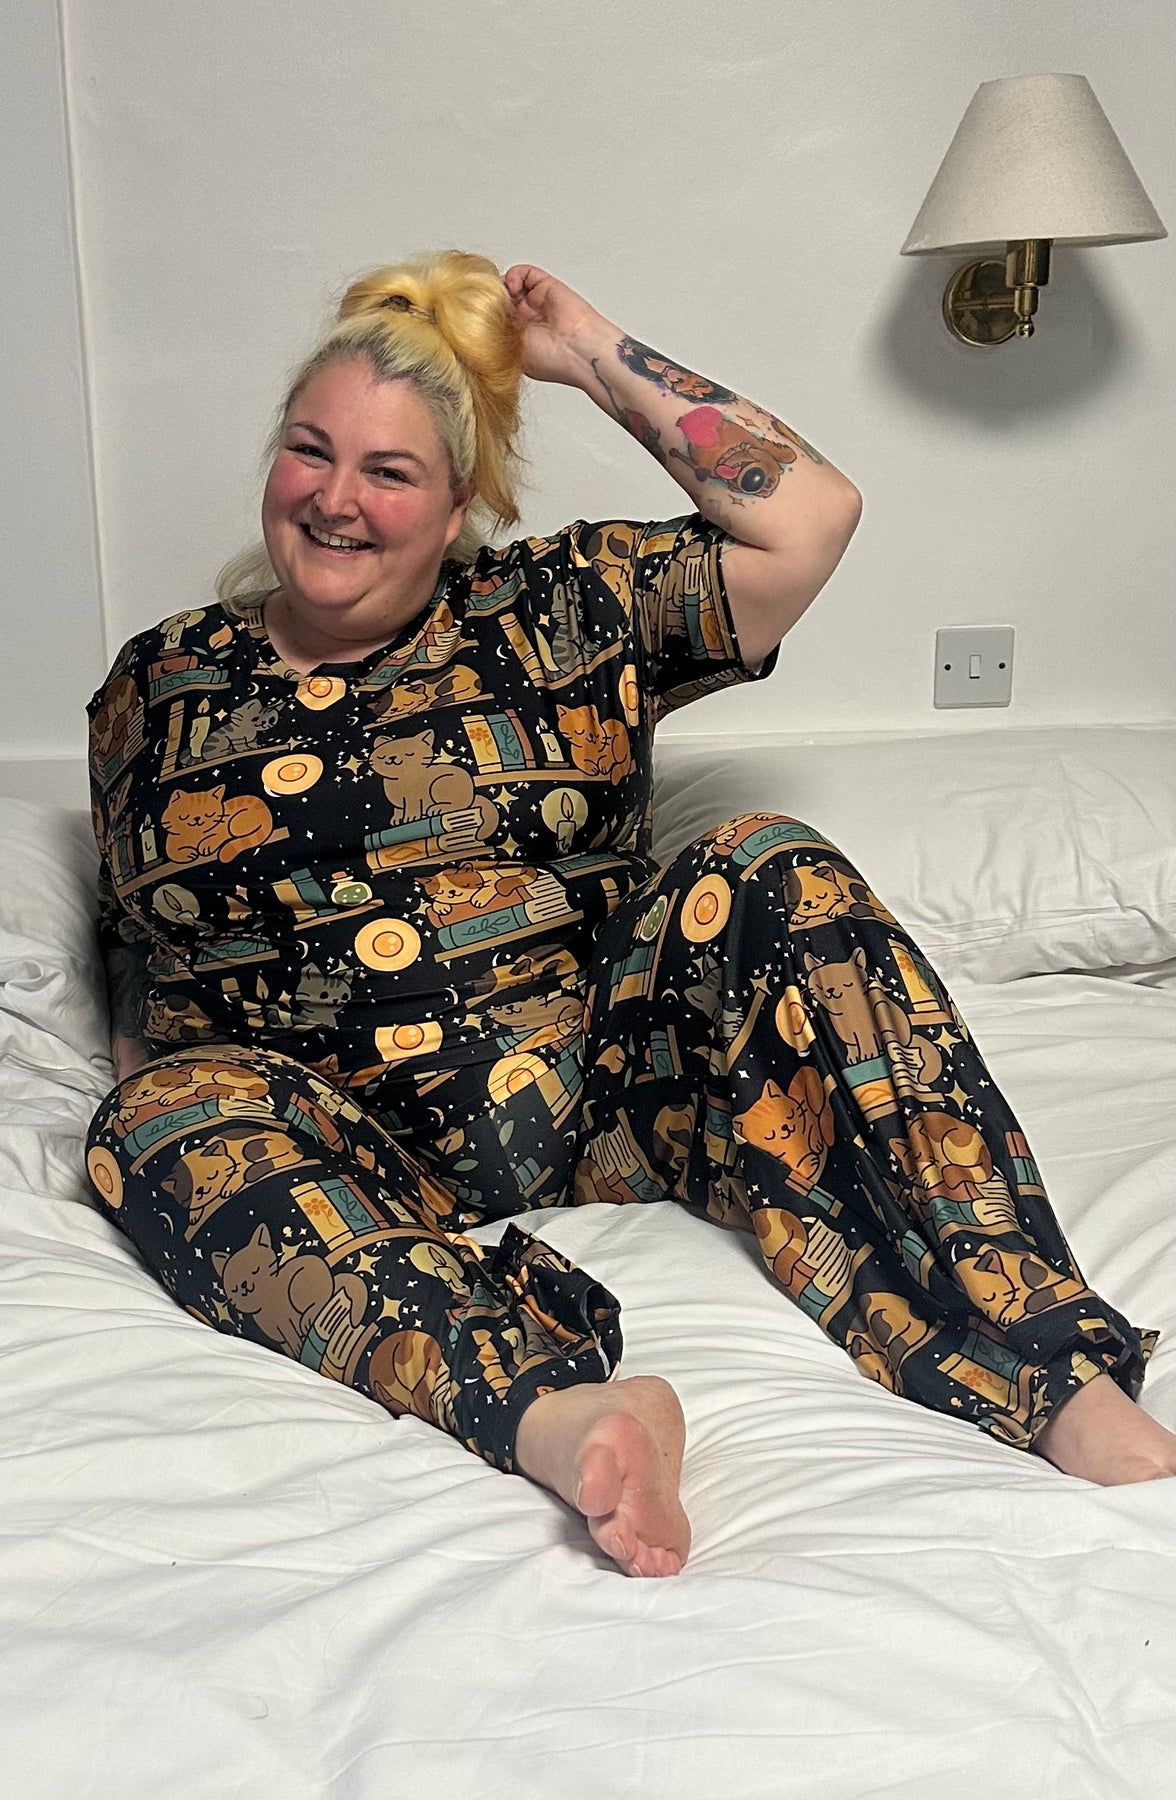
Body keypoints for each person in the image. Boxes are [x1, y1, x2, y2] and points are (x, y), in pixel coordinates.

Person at [84, 251, 1171, 1580]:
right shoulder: (161, 680)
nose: (337, 498)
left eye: (390, 471)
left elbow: (811, 518)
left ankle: (1049, 1368)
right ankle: (566, 1416)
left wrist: (593, 353)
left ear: (460, 503)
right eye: (310, 451)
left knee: (769, 859)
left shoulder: (564, 608)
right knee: (149, 1116)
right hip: (338, 1141)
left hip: (607, 1092)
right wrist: (158, 1086)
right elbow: (138, 930)